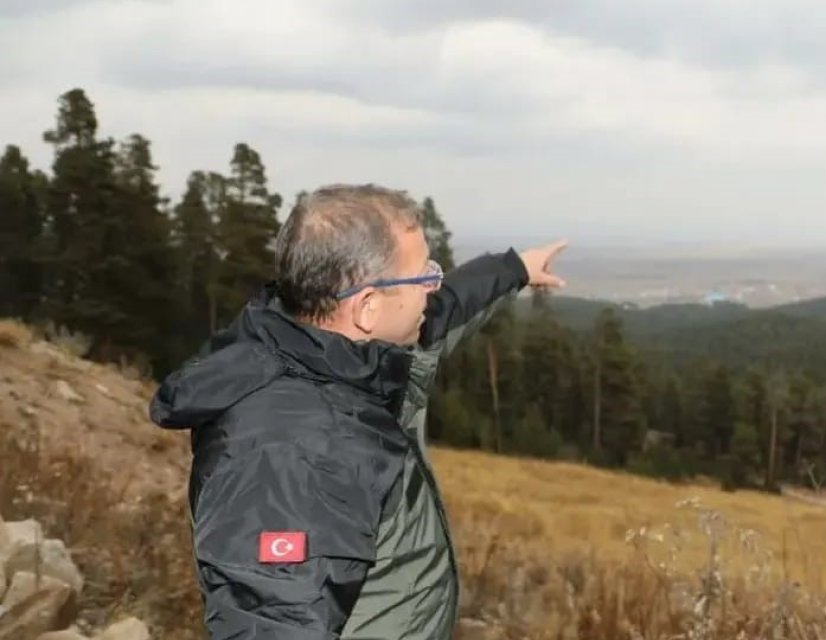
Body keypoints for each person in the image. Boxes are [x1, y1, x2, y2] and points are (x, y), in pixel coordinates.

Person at [148, 184, 567, 639]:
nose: (433, 288)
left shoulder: (341, 352)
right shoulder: (291, 453)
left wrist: (515, 269)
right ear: (367, 306)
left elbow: (444, 311)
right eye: (423, 276)